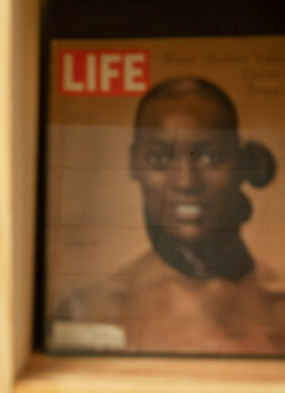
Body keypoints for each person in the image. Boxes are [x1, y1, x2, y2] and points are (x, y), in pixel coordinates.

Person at [51, 77, 285, 354]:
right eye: (159, 159)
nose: (186, 182)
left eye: (210, 157)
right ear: (134, 163)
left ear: (241, 162)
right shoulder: (89, 310)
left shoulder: (278, 301)